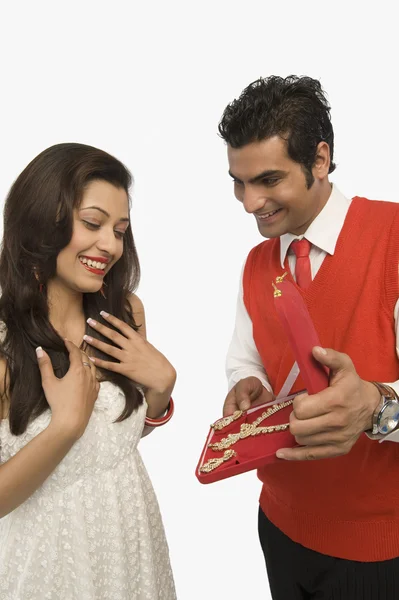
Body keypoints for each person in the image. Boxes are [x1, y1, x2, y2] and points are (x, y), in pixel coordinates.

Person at [218, 76, 399, 599]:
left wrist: (376, 406)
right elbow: (245, 357)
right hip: (279, 524)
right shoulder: (257, 263)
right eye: (238, 181)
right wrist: (247, 383)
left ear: (319, 160)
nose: (250, 202)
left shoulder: (393, 240)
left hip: (379, 549)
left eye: (268, 179)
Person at [0, 143, 177, 599]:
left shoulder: (124, 313)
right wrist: (65, 427)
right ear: (43, 221)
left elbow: (109, 444)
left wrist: (160, 393)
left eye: (120, 231)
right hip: (46, 563)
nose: (111, 246)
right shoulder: (5, 344)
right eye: (93, 224)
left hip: (131, 543)